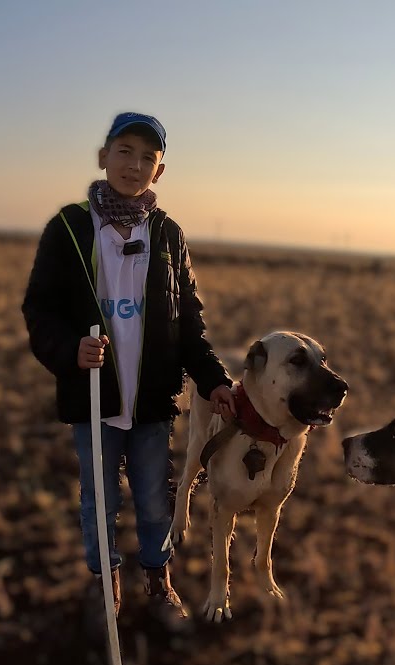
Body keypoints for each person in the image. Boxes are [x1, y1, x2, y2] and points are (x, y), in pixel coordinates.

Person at [22, 111, 236, 630]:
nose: (134, 165)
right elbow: (40, 309)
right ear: (103, 157)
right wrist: (70, 350)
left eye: (147, 157)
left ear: (158, 171)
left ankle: (159, 582)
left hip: (152, 402)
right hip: (93, 398)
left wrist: (213, 380)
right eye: (124, 152)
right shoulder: (69, 228)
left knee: (154, 499)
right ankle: (105, 582)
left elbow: (189, 323)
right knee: (98, 500)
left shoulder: (169, 235)